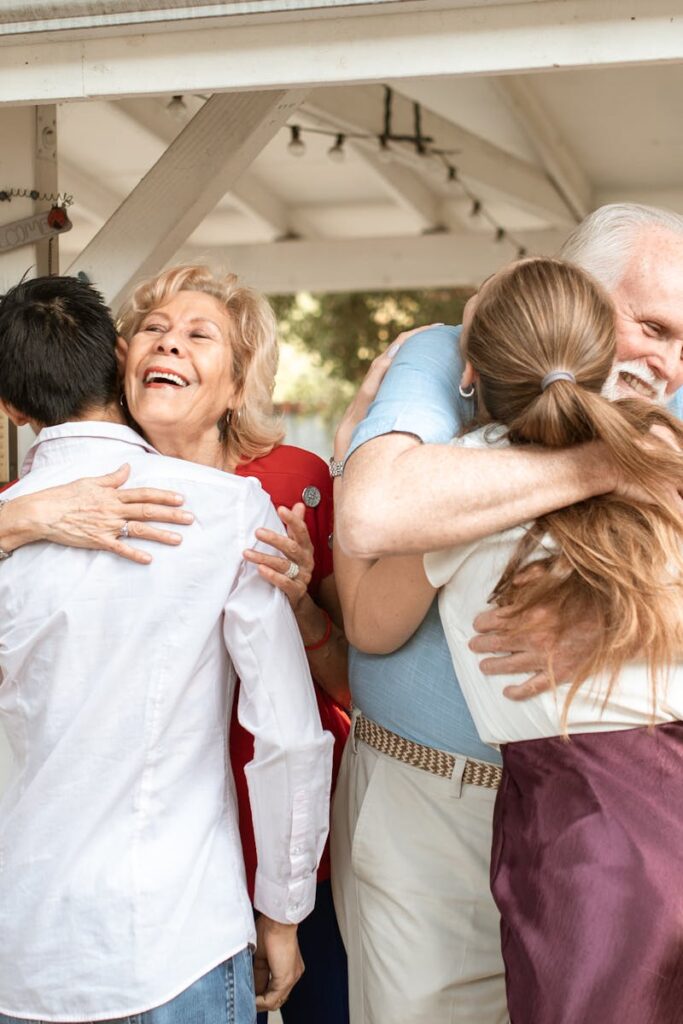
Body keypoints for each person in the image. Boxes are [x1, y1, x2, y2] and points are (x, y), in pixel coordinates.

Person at [330, 203, 683, 1024]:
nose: (670, 367)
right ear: (578, 293)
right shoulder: (440, 356)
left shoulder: (650, 405)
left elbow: (373, 591)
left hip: (593, 825)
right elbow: (374, 515)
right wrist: (610, 462)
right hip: (437, 803)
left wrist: (642, 619)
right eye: (653, 328)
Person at [0, 265, 350, 1024]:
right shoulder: (228, 511)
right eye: (155, 330)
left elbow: (336, 695)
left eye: (199, 335)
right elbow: (290, 738)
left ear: (236, 387)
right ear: (118, 359)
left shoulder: (275, 493)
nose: (171, 344)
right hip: (175, 926)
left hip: (65, 925)